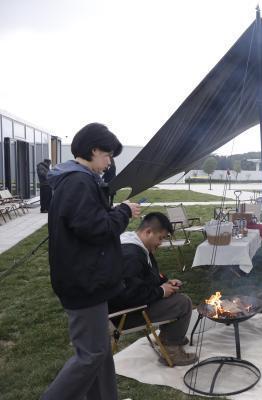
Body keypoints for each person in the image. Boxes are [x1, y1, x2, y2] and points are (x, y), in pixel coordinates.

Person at [43, 123, 140, 400]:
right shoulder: (78, 181)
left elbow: (86, 222)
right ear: (94, 150)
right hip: (83, 280)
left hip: (87, 277)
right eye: (108, 155)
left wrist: (113, 209)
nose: (109, 162)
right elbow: (95, 228)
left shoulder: (79, 180)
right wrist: (123, 211)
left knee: (100, 350)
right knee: (92, 353)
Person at [108, 212, 197, 366]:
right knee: (183, 303)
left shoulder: (136, 245)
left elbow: (146, 276)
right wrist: (161, 291)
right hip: (125, 315)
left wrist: (165, 282)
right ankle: (171, 350)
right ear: (148, 232)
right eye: (160, 238)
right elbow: (128, 295)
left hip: (131, 306)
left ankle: (168, 338)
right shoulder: (131, 255)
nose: (160, 243)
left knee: (174, 297)